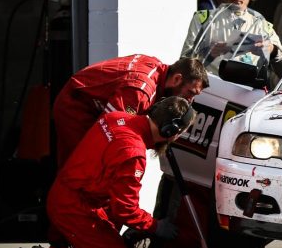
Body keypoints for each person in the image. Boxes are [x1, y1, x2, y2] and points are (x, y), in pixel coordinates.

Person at [14, 96, 193, 248]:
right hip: (75, 208)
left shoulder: (115, 118)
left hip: (68, 195)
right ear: (171, 131)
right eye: (181, 133)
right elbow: (125, 210)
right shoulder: (133, 154)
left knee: (112, 237)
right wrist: (155, 226)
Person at [53, 55, 207, 167]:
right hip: (76, 105)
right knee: (78, 167)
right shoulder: (139, 92)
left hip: (86, 96)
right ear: (177, 79)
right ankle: (64, 208)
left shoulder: (156, 66)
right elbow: (110, 134)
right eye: (191, 93)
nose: (190, 100)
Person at [181, 0, 282, 77]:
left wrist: (273, 50)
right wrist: (208, 54)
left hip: (249, 92)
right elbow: (183, 65)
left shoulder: (261, 25)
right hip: (211, 90)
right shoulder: (203, 19)